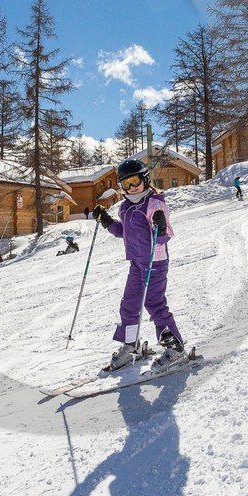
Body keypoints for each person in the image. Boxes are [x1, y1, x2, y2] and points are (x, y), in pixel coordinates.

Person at [91, 158, 184, 369]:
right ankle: (131, 344)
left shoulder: (155, 203)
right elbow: (124, 232)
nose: (132, 188)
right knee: (129, 305)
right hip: (136, 264)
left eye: (135, 181)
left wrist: (160, 226)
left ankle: (175, 347)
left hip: (155, 262)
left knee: (155, 304)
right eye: (126, 184)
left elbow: (165, 235)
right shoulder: (125, 207)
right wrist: (106, 221)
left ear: (145, 179)